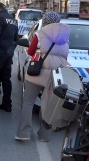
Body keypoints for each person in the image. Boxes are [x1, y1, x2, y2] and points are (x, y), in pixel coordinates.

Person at [16, 12, 70, 142]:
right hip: (55, 76)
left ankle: (23, 133)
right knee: (48, 106)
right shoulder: (65, 37)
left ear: (45, 22)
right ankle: (44, 135)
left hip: (37, 72)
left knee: (28, 102)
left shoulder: (39, 34)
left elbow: (30, 51)